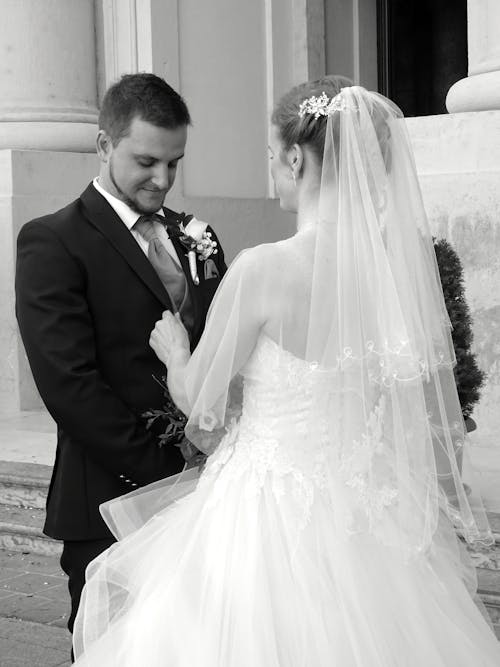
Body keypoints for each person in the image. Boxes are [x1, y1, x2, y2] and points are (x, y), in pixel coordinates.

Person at [72, 78, 500, 665]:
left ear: (297, 157)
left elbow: (200, 399)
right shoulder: (393, 279)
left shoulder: (263, 269)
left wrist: (175, 353)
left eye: (273, 156)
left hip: (264, 514)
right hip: (367, 516)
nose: (273, 169)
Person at [15, 73, 226, 646]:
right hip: (109, 496)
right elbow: (68, 385)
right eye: (146, 162)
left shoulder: (196, 237)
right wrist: (164, 475)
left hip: (207, 495)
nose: (162, 179)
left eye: (174, 164)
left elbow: (224, 349)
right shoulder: (52, 240)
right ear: (105, 145)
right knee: (115, 645)